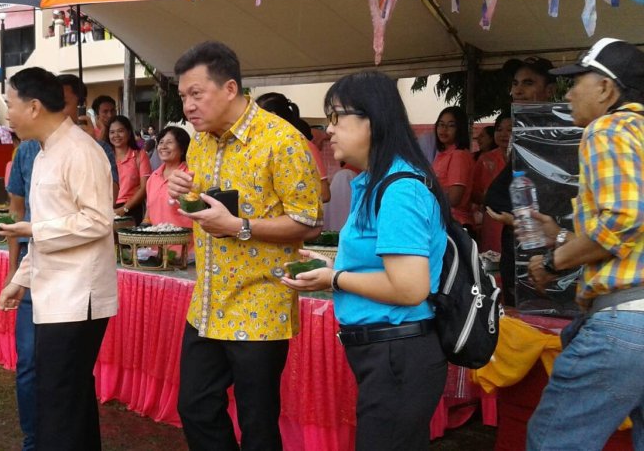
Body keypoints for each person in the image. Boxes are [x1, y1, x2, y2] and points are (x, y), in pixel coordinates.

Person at [282, 70, 451, 451]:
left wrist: (334, 279)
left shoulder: (399, 190)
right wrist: (333, 271)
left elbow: (409, 288)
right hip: (388, 353)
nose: (328, 130)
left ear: (372, 119)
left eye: (336, 117)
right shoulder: (377, 182)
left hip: (398, 353)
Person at [165, 41, 322, 450]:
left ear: (230, 88)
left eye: (196, 94)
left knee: (258, 424)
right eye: (183, 96)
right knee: (195, 407)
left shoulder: (281, 141)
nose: (188, 106)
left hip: (260, 303)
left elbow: (308, 223)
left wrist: (239, 227)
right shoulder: (200, 141)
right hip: (208, 302)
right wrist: (182, 190)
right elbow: (204, 203)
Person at [524, 39, 644, 449]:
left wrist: (552, 261)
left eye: (577, 82)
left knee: (553, 441)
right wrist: (559, 237)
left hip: (626, 324)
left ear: (607, 89)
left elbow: (624, 218)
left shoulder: (608, 129)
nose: (568, 94)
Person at [0, 68, 117, 451]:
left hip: (78, 296)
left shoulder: (81, 151)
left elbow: (97, 221)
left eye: (10, 104)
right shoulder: (43, 151)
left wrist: (33, 230)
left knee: (59, 400)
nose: (7, 114)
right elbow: (45, 225)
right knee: (66, 397)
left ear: (34, 107)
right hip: (54, 292)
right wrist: (21, 279)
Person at [484, 57, 557, 305]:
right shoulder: (523, 132)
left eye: (528, 83)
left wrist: (516, 220)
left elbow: (555, 198)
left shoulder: (556, 135)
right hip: (518, 246)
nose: (517, 90)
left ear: (550, 90)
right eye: (515, 83)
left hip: (545, 255)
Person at [256, 91, 331, 203]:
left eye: (256, 118)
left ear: (273, 117)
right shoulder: (262, 149)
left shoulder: (304, 147)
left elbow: (324, 194)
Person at [472, 114, 511, 253]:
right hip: (493, 220)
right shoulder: (485, 159)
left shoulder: (525, 158)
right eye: (499, 129)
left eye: (510, 130)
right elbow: (473, 193)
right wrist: (489, 198)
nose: (504, 134)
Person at [433, 106, 475, 230]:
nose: (444, 129)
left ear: (460, 129)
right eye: (441, 124)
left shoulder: (458, 155)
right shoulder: (444, 154)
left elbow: (454, 199)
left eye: (451, 125)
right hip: (443, 220)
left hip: (455, 223)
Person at [144, 126, 192, 230]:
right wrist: (144, 226)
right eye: (161, 142)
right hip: (156, 239)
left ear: (182, 149)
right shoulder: (153, 177)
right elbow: (149, 209)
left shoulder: (189, 175)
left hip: (184, 240)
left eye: (169, 142)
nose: (163, 146)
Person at [106, 116, 151, 224]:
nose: (116, 135)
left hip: (132, 209)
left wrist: (125, 208)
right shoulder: (104, 156)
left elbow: (144, 187)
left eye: (120, 131)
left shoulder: (140, 155)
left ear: (129, 133)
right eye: (112, 132)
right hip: (107, 208)